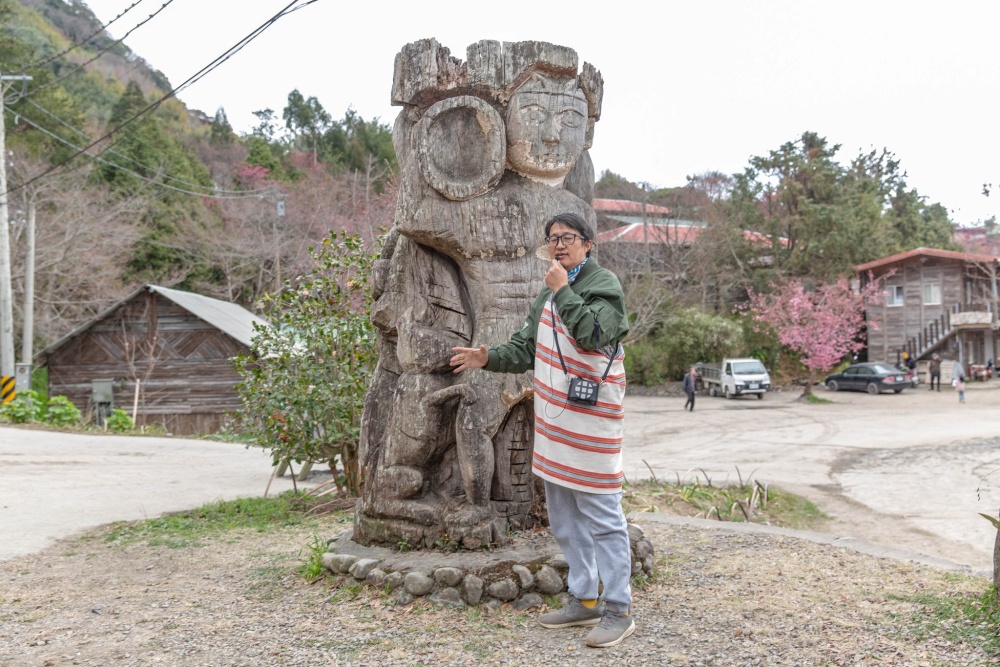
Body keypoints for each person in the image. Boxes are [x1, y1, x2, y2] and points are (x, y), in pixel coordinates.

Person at [450, 212, 634, 649]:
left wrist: (562, 290)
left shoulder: (602, 284)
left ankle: (619, 609)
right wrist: (486, 357)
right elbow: (526, 347)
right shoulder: (548, 294)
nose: (558, 245)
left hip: (592, 426)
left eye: (567, 237)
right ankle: (584, 599)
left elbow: (592, 334)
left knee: (604, 518)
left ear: (588, 244)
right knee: (565, 519)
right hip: (556, 422)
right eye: (552, 239)